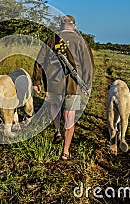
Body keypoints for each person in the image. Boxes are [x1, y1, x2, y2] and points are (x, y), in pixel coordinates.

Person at [32, 15, 93, 160]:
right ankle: (66, 151)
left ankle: (58, 131)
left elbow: (39, 61)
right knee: (69, 115)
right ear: (74, 26)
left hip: (53, 83)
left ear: (60, 25)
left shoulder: (52, 38)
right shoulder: (81, 41)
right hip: (73, 84)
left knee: (55, 106)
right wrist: (87, 84)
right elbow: (88, 64)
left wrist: (36, 81)